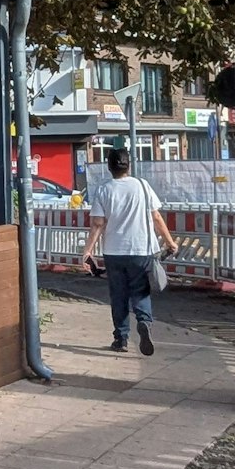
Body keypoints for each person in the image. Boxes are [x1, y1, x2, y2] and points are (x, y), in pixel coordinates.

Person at [81, 149, 179, 354]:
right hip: (142, 250)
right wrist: (170, 242)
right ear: (129, 166)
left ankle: (121, 339)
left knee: (118, 296)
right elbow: (157, 217)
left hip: (114, 252)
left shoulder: (104, 190)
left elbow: (98, 224)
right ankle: (144, 322)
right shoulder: (142, 186)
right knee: (140, 291)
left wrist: (87, 251)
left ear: (109, 167)